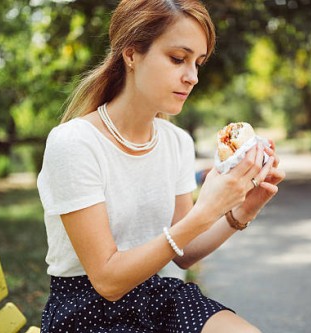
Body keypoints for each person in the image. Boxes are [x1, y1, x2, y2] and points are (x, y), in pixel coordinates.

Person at [36, 0, 285, 332]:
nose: (192, 76)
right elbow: (108, 281)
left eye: (198, 63)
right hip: (87, 309)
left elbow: (183, 252)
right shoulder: (74, 143)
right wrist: (205, 212)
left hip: (157, 296)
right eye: (178, 59)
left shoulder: (176, 142)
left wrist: (241, 210)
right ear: (131, 54)